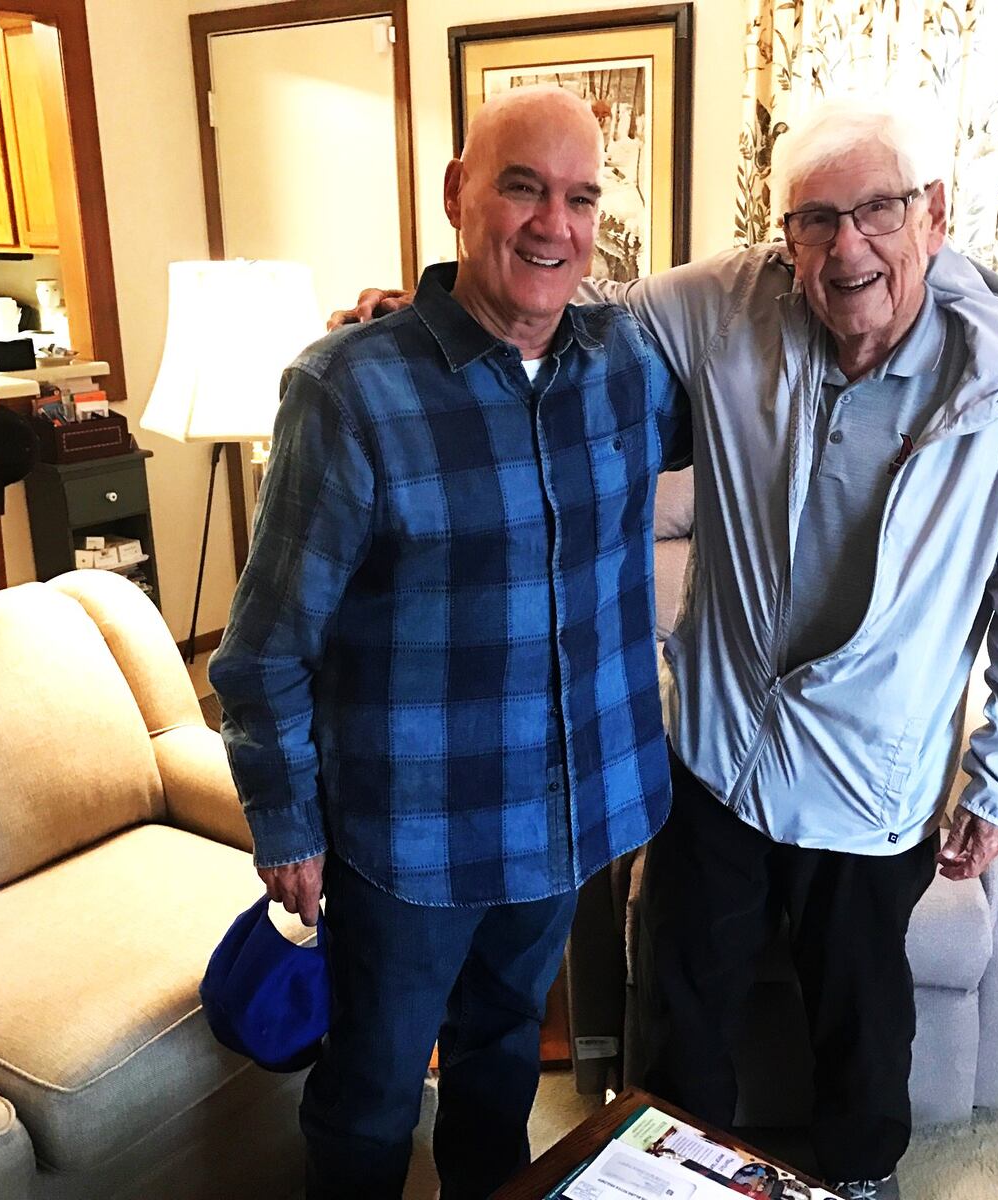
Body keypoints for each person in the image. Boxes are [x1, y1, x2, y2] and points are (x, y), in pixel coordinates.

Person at [339, 97, 998, 1200]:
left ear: (933, 214)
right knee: (683, 1012)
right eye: (814, 221)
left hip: (871, 775)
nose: (845, 249)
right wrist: (426, 311)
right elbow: (568, 299)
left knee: (860, 1024)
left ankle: (859, 1183)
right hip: (719, 754)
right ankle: (667, 1179)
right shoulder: (728, 305)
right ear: (784, 237)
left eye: (875, 212)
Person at [212, 84, 686, 1200]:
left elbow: (766, 343)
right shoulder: (350, 390)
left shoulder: (628, 369)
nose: (551, 223)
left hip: (565, 812)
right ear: (457, 193)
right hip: (413, 831)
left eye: (578, 197)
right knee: (373, 1086)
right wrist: (285, 820)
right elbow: (264, 644)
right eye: (520, 186)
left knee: (503, 1054)